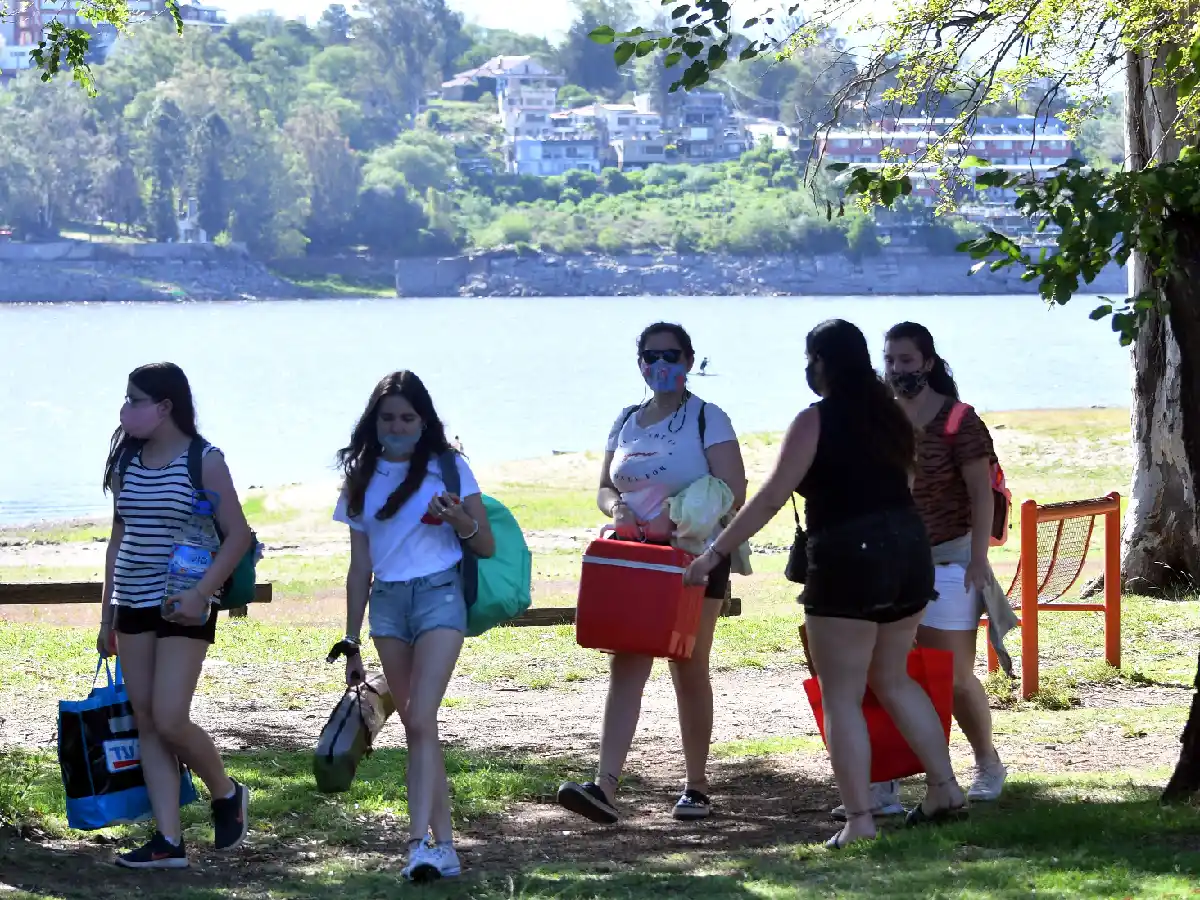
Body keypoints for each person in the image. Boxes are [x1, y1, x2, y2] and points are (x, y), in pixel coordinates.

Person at [684, 319, 966, 848]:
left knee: (842, 695)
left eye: (810, 359)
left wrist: (713, 553)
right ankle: (945, 788)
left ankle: (859, 818)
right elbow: (905, 484)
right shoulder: (894, 416)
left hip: (846, 560)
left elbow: (770, 498)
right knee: (894, 677)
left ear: (821, 363)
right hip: (909, 551)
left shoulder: (814, 420)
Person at [557, 322, 746, 824]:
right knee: (627, 664)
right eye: (650, 356)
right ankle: (605, 786)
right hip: (635, 560)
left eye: (671, 355)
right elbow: (604, 486)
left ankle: (696, 787)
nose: (660, 365)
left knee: (688, 663)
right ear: (638, 362)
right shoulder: (626, 419)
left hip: (693, 560)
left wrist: (674, 518)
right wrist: (616, 509)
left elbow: (734, 489)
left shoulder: (709, 418)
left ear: (688, 360)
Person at [333, 371, 495, 882]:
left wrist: (457, 521)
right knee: (418, 726)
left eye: (407, 417)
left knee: (421, 716)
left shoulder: (448, 468)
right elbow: (360, 568)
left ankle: (416, 846)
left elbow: (484, 543)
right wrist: (351, 638)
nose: (397, 425)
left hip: (440, 595)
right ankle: (443, 849)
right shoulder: (361, 474)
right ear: (374, 422)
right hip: (387, 606)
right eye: (388, 417)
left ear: (423, 421)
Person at [97, 362, 254, 869]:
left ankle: (226, 792)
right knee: (147, 720)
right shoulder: (126, 461)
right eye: (125, 399)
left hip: (185, 603)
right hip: (133, 602)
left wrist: (202, 593)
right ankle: (168, 842)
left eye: (135, 400)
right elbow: (118, 539)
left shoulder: (204, 460)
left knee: (168, 716)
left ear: (165, 407)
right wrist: (107, 617)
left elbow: (239, 536)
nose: (126, 409)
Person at [880, 321, 1011, 804]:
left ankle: (987, 763)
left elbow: (981, 494)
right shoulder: (882, 418)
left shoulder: (958, 420)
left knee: (953, 674)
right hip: (892, 561)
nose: (897, 370)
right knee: (890, 673)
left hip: (951, 560)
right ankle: (886, 776)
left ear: (929, 363)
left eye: (907, 361)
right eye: (891, 360)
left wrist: (977, 559)